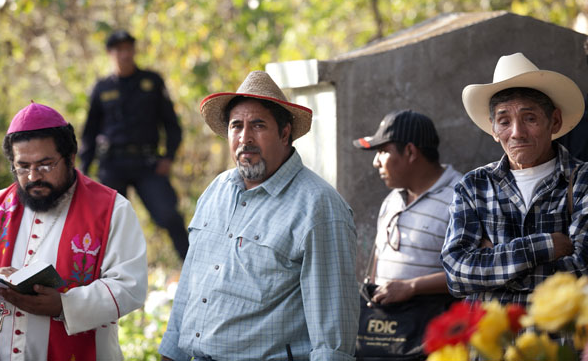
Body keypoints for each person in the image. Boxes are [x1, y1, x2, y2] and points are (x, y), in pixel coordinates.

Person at [158, 71, 359, 361]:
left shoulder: (319, 207)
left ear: (285, 132)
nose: (245, 138)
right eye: (236, 126)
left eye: (258, 125)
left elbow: (333, 340)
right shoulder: (216, 191)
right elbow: (190, 286)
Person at [0, 102, 148, 360]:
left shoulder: (112, 209)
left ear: (71, 157)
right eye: (22, 166)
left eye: (45, 165)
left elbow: (130, 285)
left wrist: (65, 305)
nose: (32, 177)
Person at [441, 52, 588, 305]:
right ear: (493, 130)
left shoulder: (582, 180)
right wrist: (546, 245)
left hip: (558, 343)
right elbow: (457, 274)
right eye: (504, 121)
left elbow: (581, 270)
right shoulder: (474, 186)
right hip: (491, 342)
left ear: (554, 121)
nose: (517, 133)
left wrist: (491, 270)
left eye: (529, 118)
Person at [80, 29, 188, 259]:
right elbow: (89, 133)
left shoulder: (151, 82)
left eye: (128, 49)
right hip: (113, 164)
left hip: (147, 163)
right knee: (109, 226)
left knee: (169, 215)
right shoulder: (102, 88)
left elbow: (171, 125)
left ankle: (194, 268)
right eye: (119, 50)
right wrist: (83, 171)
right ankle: (107, 279)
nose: (125, 54)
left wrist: (168, 156)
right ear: (110, 53)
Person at [352, 110, 461, 304]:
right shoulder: (392, 199)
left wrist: (412, 287)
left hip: (432, 329)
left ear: (410, 152)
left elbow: (474, 273)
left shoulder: (462, 198)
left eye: (383, 151)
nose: (375, 162)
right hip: (387, 328)